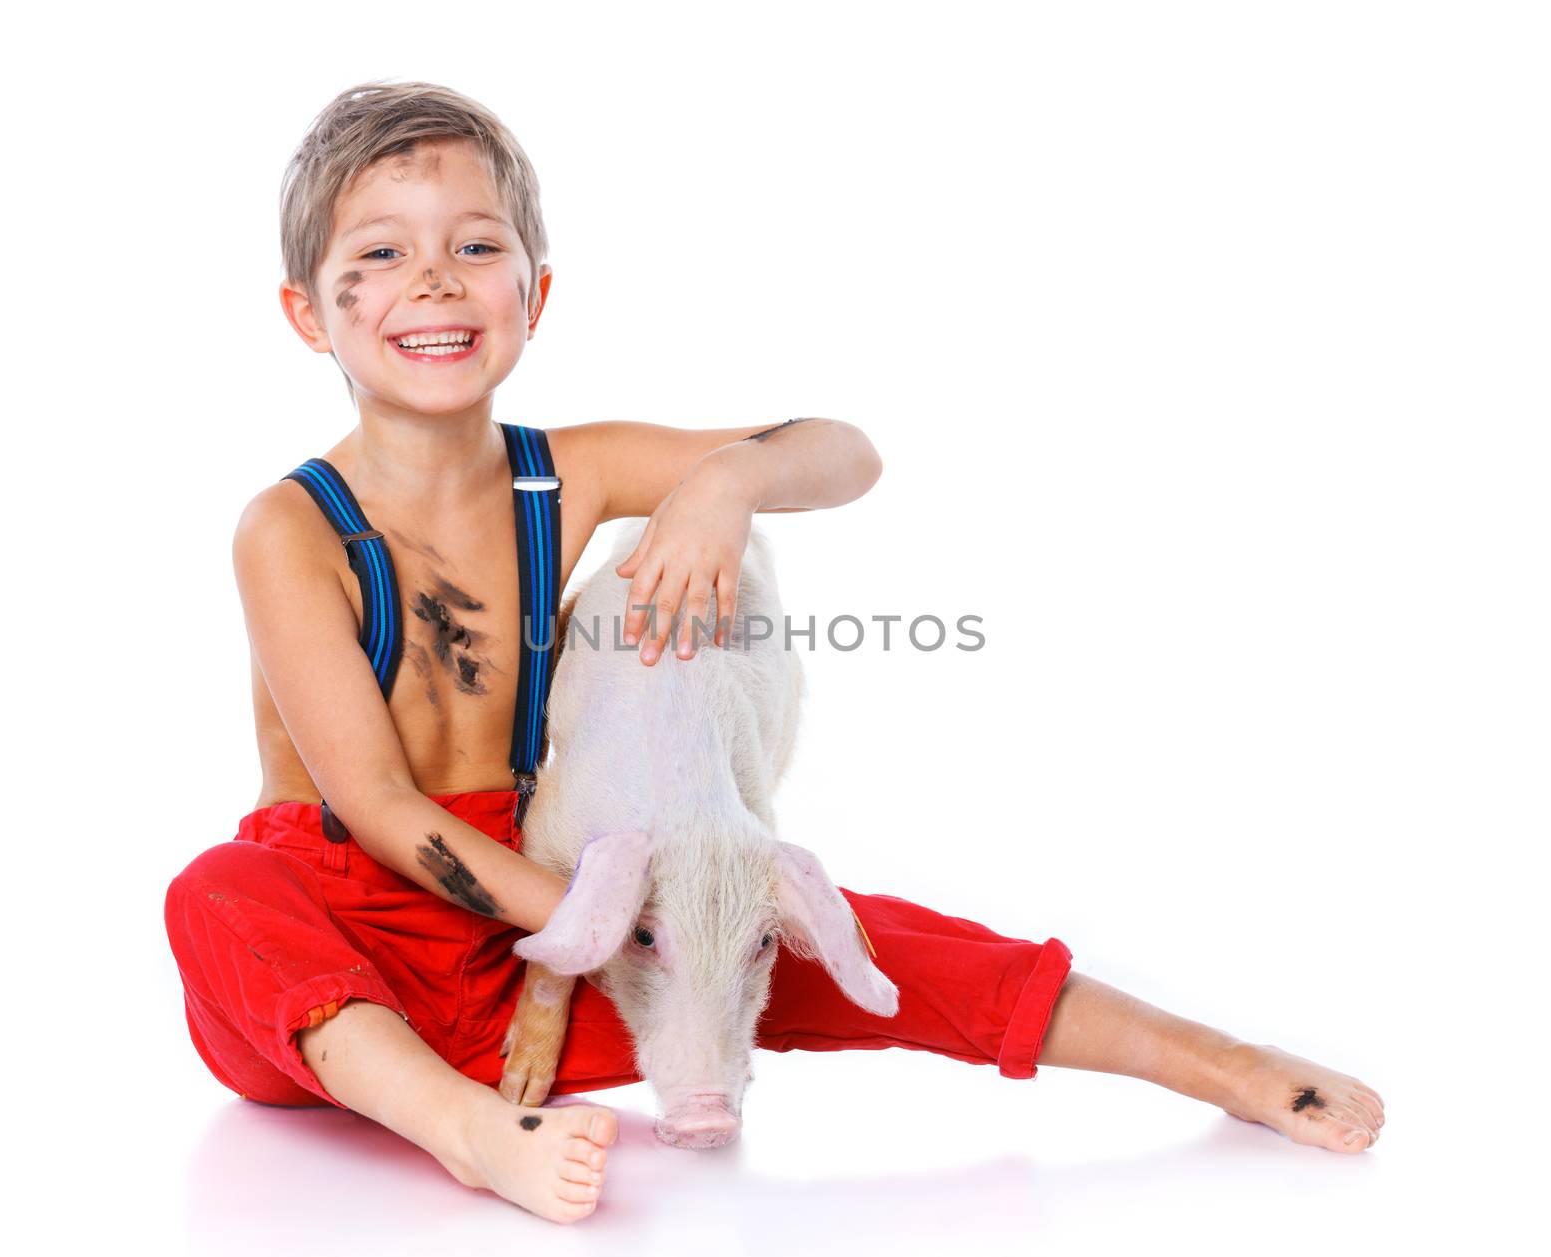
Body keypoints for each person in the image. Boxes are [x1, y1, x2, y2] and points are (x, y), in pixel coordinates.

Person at [163, 80, 1384, 1226]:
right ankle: (465, 1129)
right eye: (379, 256)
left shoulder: (565, 469)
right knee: (216, 897)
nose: (432, 283)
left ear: (533, 295)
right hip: (352, 948)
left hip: (561, 905)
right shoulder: (291, 527)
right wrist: (606, 916)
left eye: (474, 248)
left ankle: (1216, 1061)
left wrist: (727, 485)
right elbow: (375, 804)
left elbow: (845, 451)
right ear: (306, 312)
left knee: (846, 938)